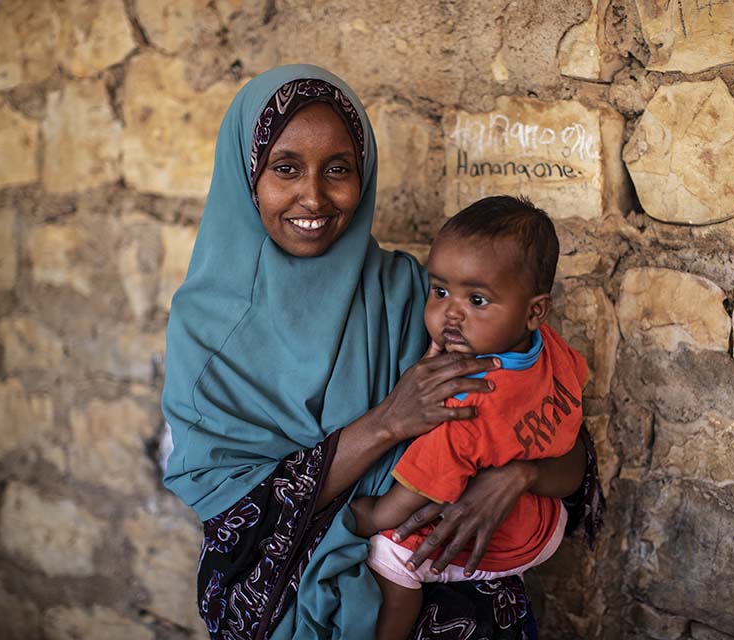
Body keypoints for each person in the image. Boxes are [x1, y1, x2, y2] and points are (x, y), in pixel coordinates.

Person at [161, 64, 599, 640]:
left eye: (337, 169)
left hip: (457, 599)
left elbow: (563, 450)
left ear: (363, 176)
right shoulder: (206, 328)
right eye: (285, 168)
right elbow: (235, 512)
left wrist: (518, 475)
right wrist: (389, 422)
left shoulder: (417, 298)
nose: (312, 196)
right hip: (281, 604)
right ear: (246, 176)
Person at [351, 196, 588, 640]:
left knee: (388, 554)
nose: (450, 314)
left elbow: (416, 490)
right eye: (440, 291)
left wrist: (371, 516)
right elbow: (575, 390)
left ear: (535, 311)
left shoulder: (466, 400)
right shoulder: (552, 349)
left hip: (497, 542)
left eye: (477, 299)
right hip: (547, 521)